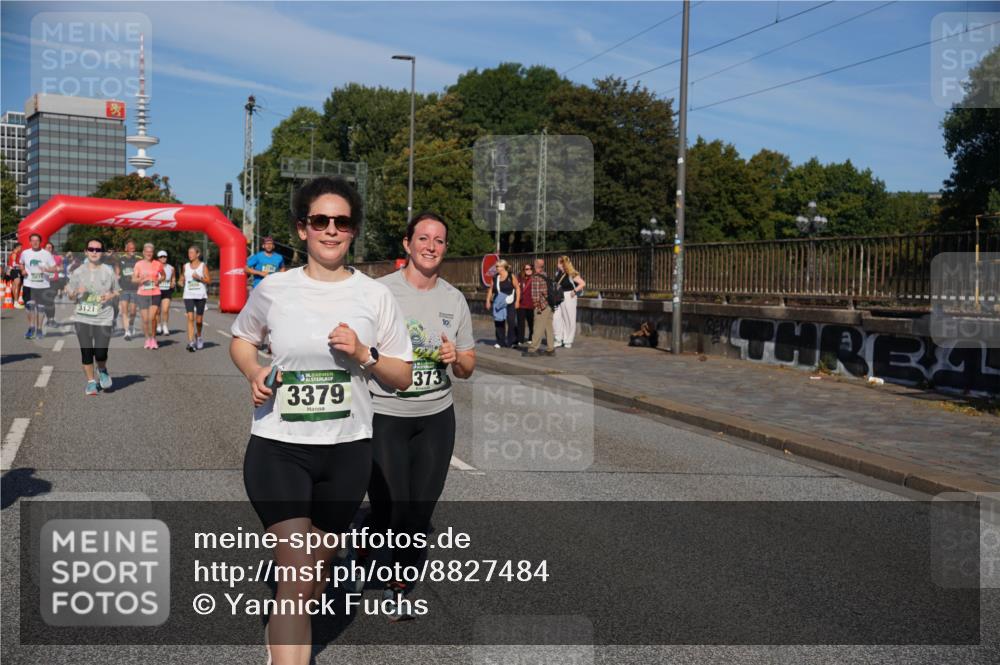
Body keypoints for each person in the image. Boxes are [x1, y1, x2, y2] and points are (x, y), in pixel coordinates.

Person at [229, 176, 412, 664]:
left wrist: (365, 354)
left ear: (353, 231)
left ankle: (288, 626)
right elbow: (242, 338)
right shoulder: (274, 288)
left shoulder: (374, 296)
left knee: (316, 566)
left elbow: (403, 376)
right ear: (302, 228)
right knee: (295, 572)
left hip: (347, 450)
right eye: (320, 220)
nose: (331, 230)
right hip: (279, 447)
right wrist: (253, 370)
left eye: (342, 221)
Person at [367, 211, 476, 621]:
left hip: (436, 417)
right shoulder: (379, 293)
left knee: (420, 510)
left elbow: (467, 366)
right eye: (424, 238)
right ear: (407, 244)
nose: (431, 246)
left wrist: (456, 358)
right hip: (385, 414)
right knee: (392, 504)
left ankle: (400, 581)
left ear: (445, 248)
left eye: (440, 240)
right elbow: (358, 354)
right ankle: (383, 554)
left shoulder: (453, 299)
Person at [66, 238, 120, 395]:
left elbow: (117, 291)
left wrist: (109, 296)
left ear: (102, 252)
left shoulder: (108, 271)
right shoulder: (77, 272)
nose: (94, 252)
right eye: (91, 249)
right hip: (83, 317)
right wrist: (76, 292)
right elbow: (69, 294)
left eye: (98, 249)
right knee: (87, 352)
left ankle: (102, 369)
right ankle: (91, 382)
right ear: (85, 251)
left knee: (101, 352)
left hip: (103, 317)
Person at [19, 233, 58, 339]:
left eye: (37, 240)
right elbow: (21, 263)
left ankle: (39, 329)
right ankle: (31, 327)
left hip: (43, 285)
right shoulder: (25, 253)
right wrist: (22, 270)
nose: (35, 242)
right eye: (33, 240)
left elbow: (55, 268)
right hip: (29, 284)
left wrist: (47, 269)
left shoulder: (46, 254)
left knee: (40, 308)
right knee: (30, 306)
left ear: (40, 242)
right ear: (30, 242)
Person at [132, 243, 165, 349]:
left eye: (151, 252)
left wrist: (159, 280)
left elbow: (163, 275)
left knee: (152, 318)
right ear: (143, 253)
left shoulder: (158, 263)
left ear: (153, 253)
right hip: (142, 293)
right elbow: (133, 279)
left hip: (155, 292)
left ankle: (154, 338)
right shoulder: (138, 264)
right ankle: (147, 339)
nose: (149, 254)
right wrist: (141, 279)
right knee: (145, 319)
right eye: (147, 252)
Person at [522, 257, 557, 356]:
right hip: (549, 305)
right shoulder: (545, 275)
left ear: (536, 266)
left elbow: (535, 294)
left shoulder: (536, 277)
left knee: (538, 327)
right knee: (548, 327)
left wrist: (537, 307)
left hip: (541, 306)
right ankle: (551, 349)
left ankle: (533, 349)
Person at [181, 246, 211, 352]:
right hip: (188, 295)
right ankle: (191, 342)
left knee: (199, 320)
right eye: (189, 252)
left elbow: (208, 280)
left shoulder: (203, 266)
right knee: (190, 318)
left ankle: (198, 336)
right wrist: (180, 281)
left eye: (192, 253)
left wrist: (199, 278)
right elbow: (182, 277)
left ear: (198, 254)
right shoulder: (185, 266)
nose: (190, 254)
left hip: (200, 295)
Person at [553, 255, 586, 349]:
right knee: (557, 318)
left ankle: (568, 340)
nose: (557, 264)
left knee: (569, 318)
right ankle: (559, 338)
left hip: (569, 296)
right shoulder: (558, 273)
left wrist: (574, 291)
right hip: (559, 297)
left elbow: (582, 283)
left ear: (564, 263)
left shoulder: (572, 273)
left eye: (559, 262)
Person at [485, 259, 519, 348]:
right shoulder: (495, 277)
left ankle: (512, 341)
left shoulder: (511, 276)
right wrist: (488, 300)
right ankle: (500, 341)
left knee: (511, 322)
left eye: (497, 266)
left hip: (510, 302)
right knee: (499, 321)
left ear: (503, 267)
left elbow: (518, 288)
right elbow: (491, 289)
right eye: (496, 266)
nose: (496, 268)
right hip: (499, 302)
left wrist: (517, 301)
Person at [118, 240, 141, 339]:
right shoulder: (120, 259)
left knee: (132, 312)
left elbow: (141, 273)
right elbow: (117, 273)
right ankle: (127, 331)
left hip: (135, 289)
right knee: (124, 311)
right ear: (126, 249)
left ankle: (131, 325)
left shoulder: (138, 259)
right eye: (131, 249)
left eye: (134, 249)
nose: (133, 250)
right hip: (124, 289)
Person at [154, 250, 177, 335]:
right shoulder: (154, 267)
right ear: (158, 258)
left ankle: (165, 326)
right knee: (157, 311)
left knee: (165, 309)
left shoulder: (171, 268)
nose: (163, 258)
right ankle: (158, 326)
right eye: (161, 257)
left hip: (167, 290)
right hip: (156, 290)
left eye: (165, 256)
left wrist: (173, 283)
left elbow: (173, 278)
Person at [516, 263, 535, 347]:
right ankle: (520, 339)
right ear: (523, 270)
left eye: (530, 268)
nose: (529, 270)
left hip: (532, 304)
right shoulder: (519, 278)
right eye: (527, 269)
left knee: (531, 322)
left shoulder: (535, 278)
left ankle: (531, 338)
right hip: (521, 304)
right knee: (520, 323)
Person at [5, 242, 24, 309]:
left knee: (15, 285)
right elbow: (13, 264)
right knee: (17, 284)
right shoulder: (14, 253)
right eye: (20, 247)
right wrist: (21, 266)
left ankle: (15, 301)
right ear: (17, 247)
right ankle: (16, 302)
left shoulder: (15, 254)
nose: (21, 248)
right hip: (15, 270)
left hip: (14, 270)